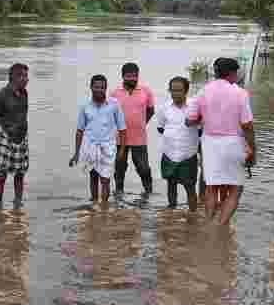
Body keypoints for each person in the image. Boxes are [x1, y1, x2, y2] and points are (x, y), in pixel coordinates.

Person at [186, 58, 256, 225]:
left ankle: (210, 222)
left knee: (211, 186)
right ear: (232, 73)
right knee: (234, 188)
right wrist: (253, 150)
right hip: (233, 143)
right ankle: (221, 225)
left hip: (209, 143)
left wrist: (205, 117)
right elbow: (247, 125)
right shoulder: (240, 93)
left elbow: (190, 121)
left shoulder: (203, 92)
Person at [70, 75, 127, 203]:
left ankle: (104, 207)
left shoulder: (114, 104)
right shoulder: (85, 106)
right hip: (89, 146)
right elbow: (80, 131)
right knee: (93, 176)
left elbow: (122, 129)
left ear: (106, 88)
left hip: (108, 147)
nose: (99, 90)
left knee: (105, 179)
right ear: (91, 87)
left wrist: (122, 150)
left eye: (102, 87)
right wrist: (76, 153)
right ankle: (94, 204)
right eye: (96, 87)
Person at [155, 76, 200, 211]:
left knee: (190, 187)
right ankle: (171, 212)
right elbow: (161, 128)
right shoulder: (164, 108)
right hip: (169, 154)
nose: (175, 94)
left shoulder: (195, 107)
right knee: (171, 184)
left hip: (188, 155)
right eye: (172, 90)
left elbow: (201, 130)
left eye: (179, 90)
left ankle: (193, 216)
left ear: (186, 91)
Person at [110, 62, 156, 194]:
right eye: (128, 76)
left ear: (138, 76)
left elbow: (151, 110)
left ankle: (148, 192)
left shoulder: (146, 91)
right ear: (123, 76)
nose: (132, 79)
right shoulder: (114, 93)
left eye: (134, 76)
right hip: (120, 139)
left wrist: (142, 123)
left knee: (143, 168)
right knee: (119, 168)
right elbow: (110, 115)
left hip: (139, 138)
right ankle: (119, 194)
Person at [0, 63, 30, 203]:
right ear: (14, 77)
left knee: (20, 174)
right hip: (5, 137)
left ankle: (18, 204)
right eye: (23, 76)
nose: (26, 79)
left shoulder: (24, 93)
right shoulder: (0, 96)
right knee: (1, 174)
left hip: (21, 137)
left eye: (26, 76)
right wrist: (1, 134)